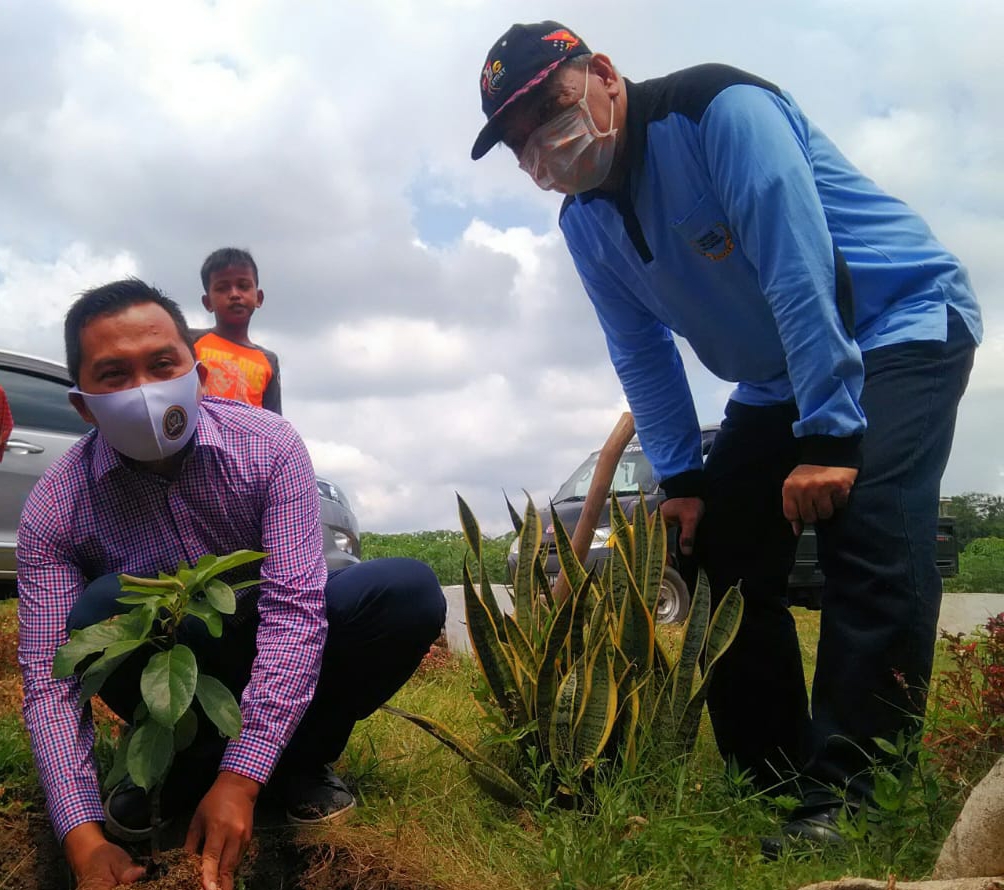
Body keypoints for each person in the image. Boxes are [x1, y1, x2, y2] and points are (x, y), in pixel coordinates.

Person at [470, 21, 981, 851]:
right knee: (720, 555)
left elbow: (797, 262)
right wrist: (684, 482)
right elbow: (639, 352)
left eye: (551, 111)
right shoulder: (582, 225)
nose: (544, 149)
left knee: (872, 524)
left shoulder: (721, 112)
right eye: (521, 143)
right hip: (777, 375)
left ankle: (856, 797)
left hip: (899, 322)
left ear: (601, 74)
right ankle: (775, 776)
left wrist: (829, 436)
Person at [17, 279, 446, 890]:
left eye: (162, 363)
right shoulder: (57, 506)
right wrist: (82, 839)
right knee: (101, 610)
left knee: (402, 591)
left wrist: (242, 779)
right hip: (182, 680)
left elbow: (295, 610)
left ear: (198, 373)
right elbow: (50, 680)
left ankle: (296, 762)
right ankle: (181, 765)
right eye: (114, 374)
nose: (144, 390)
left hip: (273, 641)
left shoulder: (269, 446)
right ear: (83, 405)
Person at [193, 247, 282, 413]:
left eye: (243, 286)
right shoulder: (190, 342)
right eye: (222, 288)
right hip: (198, 437)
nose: (234, 294)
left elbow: (274, 422)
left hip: (248, 438)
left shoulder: (268, 361)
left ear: (259, 298)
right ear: (207, 303)